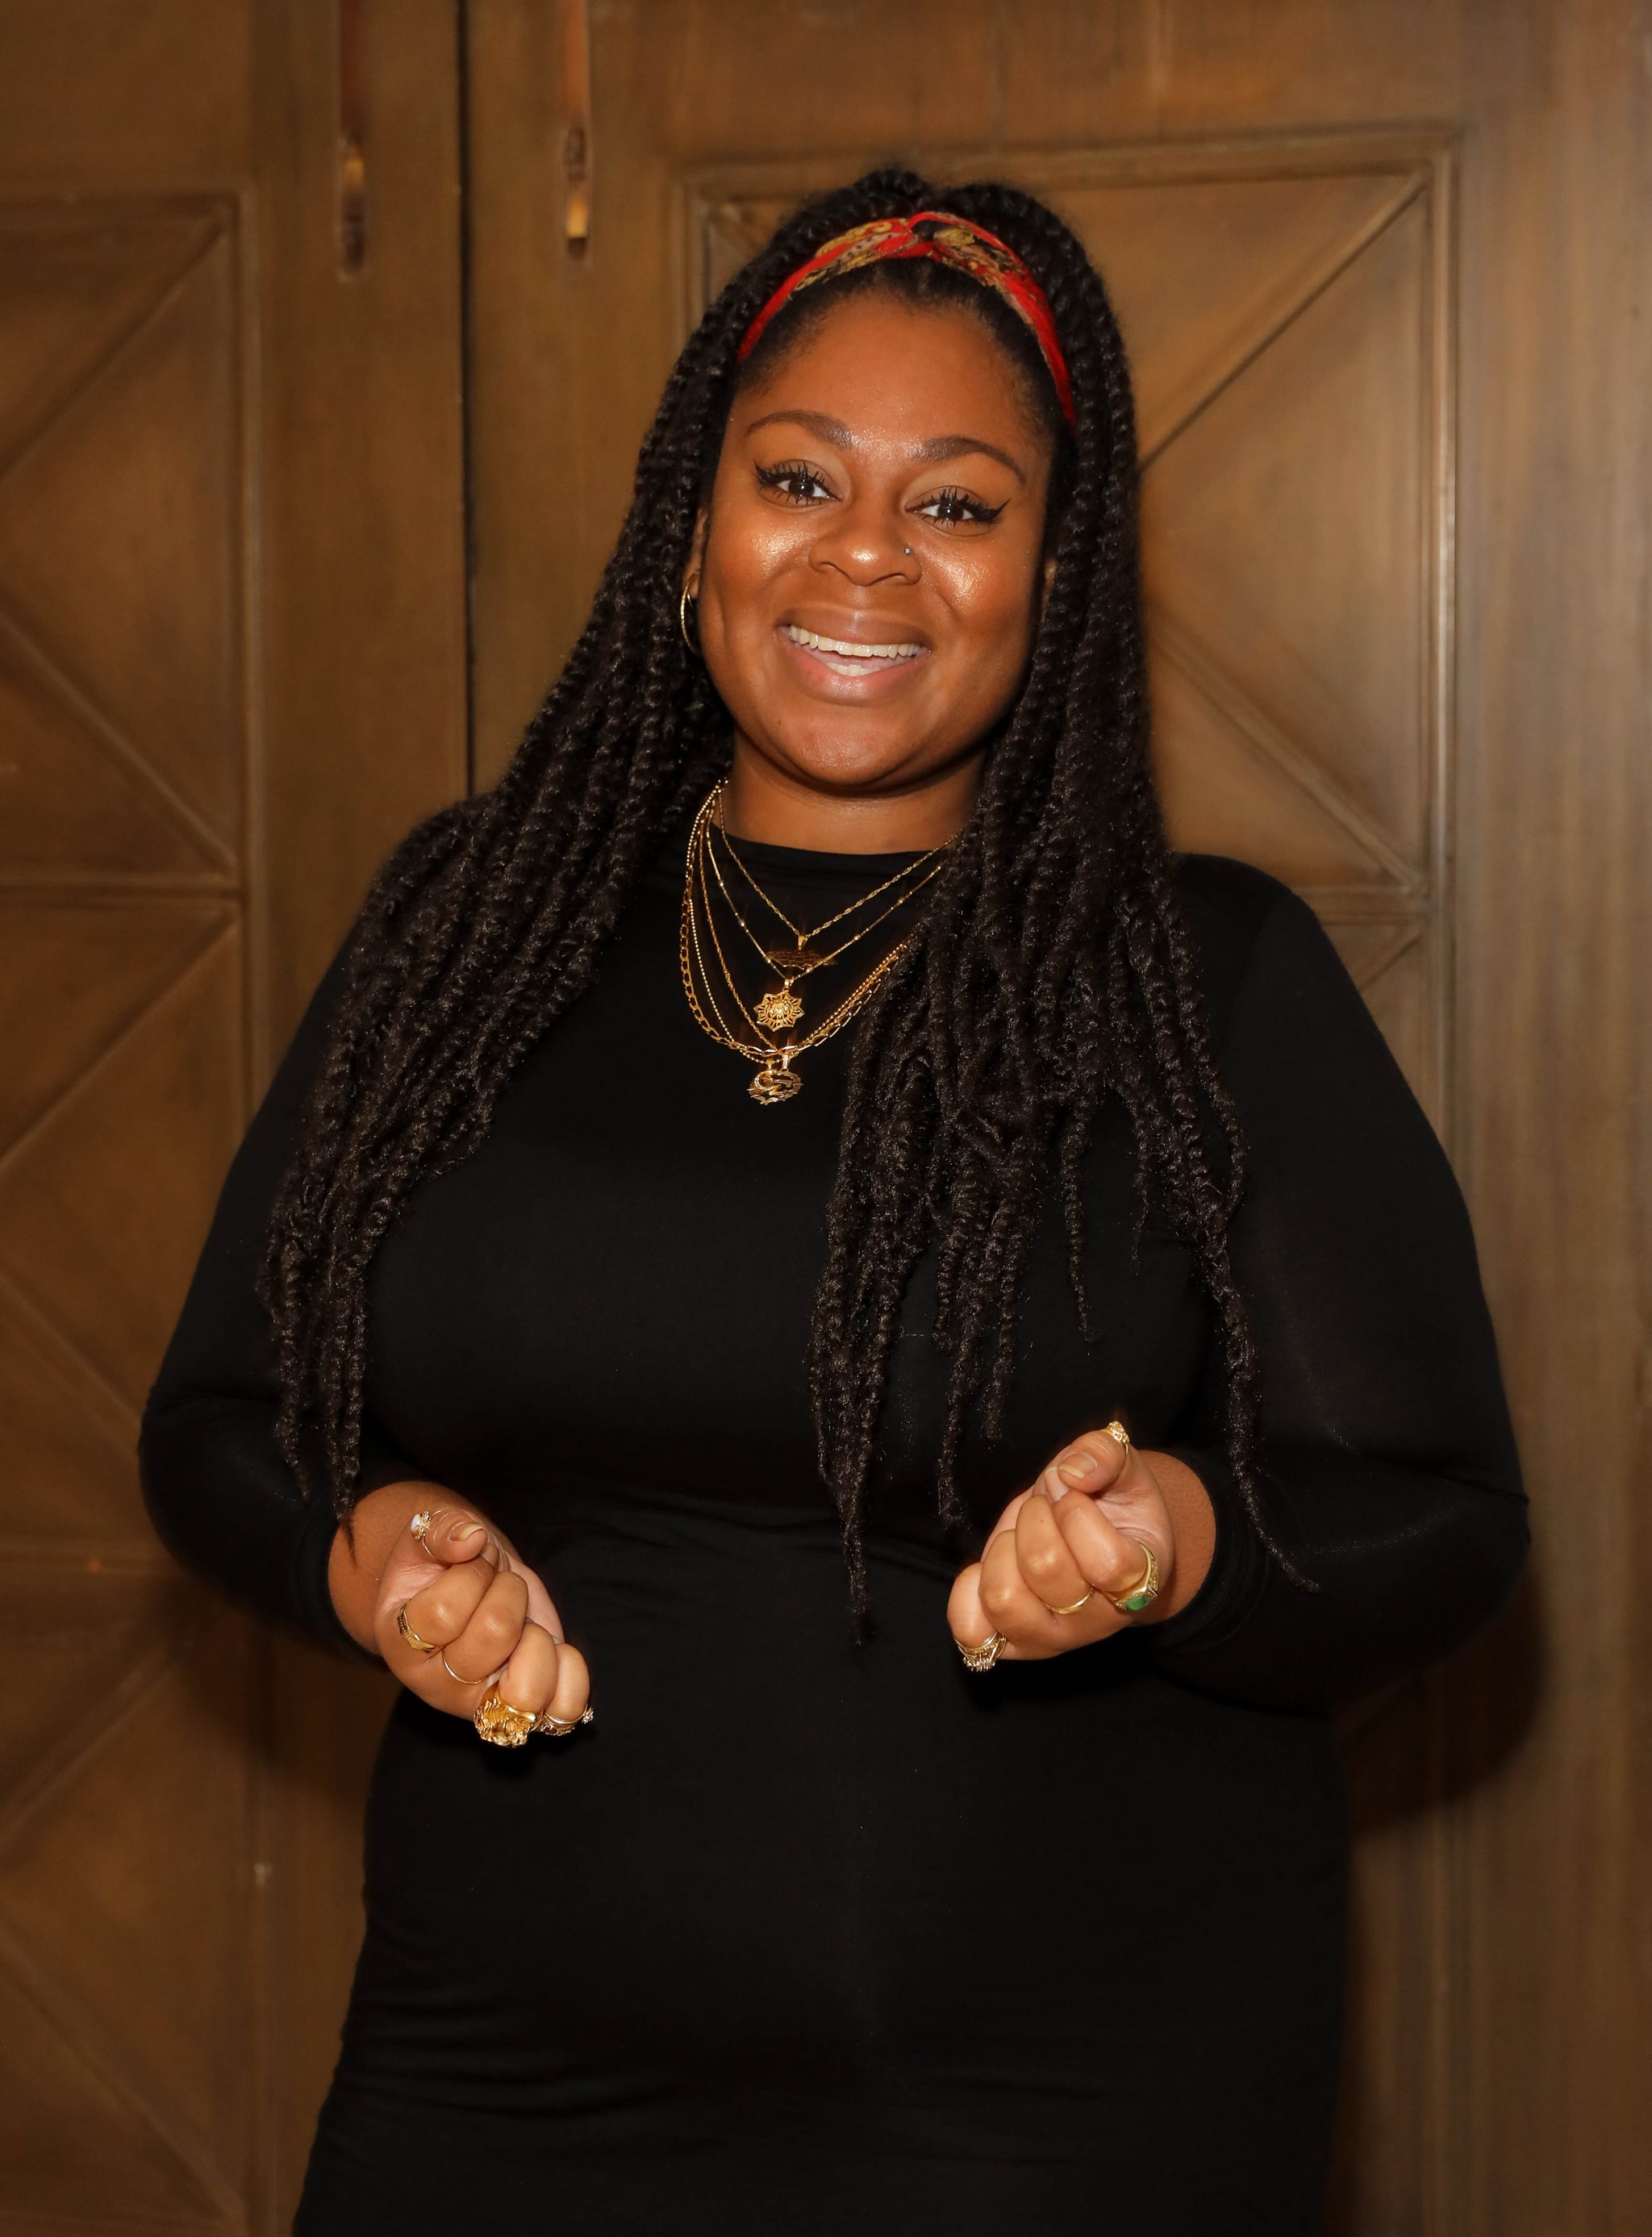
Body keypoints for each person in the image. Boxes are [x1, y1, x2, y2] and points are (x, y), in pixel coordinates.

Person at [140, 171, 1526, 2235]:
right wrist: (372, 1550)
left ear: (1051, 578)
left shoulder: (1194, 976)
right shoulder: (474, 926)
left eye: (957, 504)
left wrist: (1172, 1540)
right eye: (797, 476)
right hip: (500, 2081)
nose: (863, 553)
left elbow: (1437, 1514)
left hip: (1064, 2110)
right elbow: (220, 1419)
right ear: (693, 529)